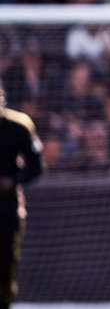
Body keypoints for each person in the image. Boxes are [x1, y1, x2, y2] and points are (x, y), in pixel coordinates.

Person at [0, 87, 43, 309]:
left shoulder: (19, 126)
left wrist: (12, 180)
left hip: (7, 210)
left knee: (6, 266)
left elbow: (36, 167)